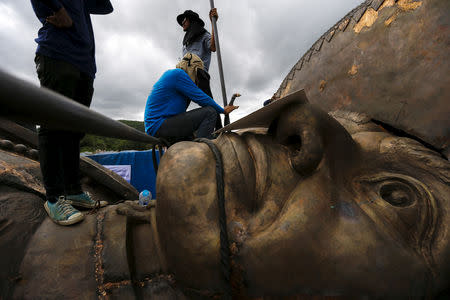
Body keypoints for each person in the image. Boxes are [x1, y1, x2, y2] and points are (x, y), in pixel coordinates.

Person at [31, 0, 113, 225]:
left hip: (84, 64)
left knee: (74, 131)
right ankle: (54, 198)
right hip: (58, 52)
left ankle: (73, 190)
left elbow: (106, 6)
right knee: (54, 125)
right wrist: (53, 9)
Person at [144, 53, 238, 143]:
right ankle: (203, 150)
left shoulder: (173, 76)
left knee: (190, 139)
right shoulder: (178, 74)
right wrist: (223, 110)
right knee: (210, 112)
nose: (197, 79)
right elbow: (201, 98)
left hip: (160, 125)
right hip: (159, 124)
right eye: (198, 73)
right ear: (192, 68)